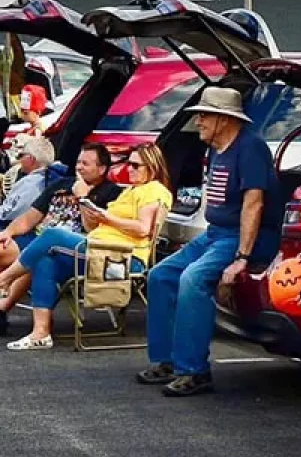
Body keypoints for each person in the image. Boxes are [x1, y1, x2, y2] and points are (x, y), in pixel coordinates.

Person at [138, 87, 283, 398]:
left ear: (224, 119)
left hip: (241, 236)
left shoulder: (251, 148)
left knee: (193, 279)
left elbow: (254, 204)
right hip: (216, 232)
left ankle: (194, 371)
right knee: (161, 275)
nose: (198, 121)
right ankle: (166, 360)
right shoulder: (217, 148)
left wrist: (242, 257)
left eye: (204, 115)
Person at [0, 144, 173, 351]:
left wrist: (104, 215)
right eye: (128, 164)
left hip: (121, 259)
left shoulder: (154, 190)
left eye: (136, 165)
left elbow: (143, 229)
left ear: (152, 166)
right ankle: (41, 333)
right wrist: (88, 206)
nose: (130, 169)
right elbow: (92, 228)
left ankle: (4, 279)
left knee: (52, 235)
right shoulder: (131, 191)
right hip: (98, 250)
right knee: (45, 260)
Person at [0, 143, 118, 335]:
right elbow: (30, 218)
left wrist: (83, 197)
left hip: (71, 249)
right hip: (36, 238)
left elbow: (93, 230)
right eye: (78, 162)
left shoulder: (111, 193)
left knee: (40, 255)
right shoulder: (62, 184)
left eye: (86, 164)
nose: (79, 167)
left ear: (102, 168)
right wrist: (8, 232)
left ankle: (2, 302)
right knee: (4, 247)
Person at [0, 136, 57, 226]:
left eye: (21, 155)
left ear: (30, 159)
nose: (19, 159)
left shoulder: (30, 183)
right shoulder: (53, 179)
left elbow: (7, 215)